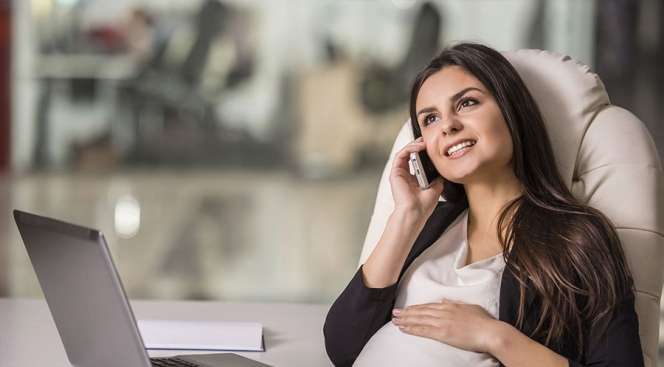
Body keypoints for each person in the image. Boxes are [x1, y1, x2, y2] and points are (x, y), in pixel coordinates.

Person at [323, 43, 643, 367]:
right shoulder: (427, 226)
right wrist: (405, 217)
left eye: (466, 103)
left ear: (511, 111)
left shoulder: (577, 238)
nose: (447, 125)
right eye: (430, 119)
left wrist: (493, 336)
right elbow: (342, 345)